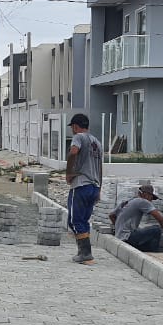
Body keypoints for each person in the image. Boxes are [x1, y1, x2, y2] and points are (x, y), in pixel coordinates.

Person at [64, 113, 103, 264]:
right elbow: (100, 167)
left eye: (72, 128)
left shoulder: (79, 137)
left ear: (75, 126)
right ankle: (83, 252)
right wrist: (99, 188)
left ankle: (86, 253)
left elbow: (74, 152)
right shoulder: (97, 142)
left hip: (81, 184)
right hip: (93, 186)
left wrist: (69, 173)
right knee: (84, 220)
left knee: (74, 220)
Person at [109, 184, 163, 253]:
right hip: (128, 237)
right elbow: (160, 218)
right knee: (156, 230)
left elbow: (111, 215)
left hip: (119, 237)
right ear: (146, 194)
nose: (150, 201)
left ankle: (144, 251)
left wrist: (119, 228)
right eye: (151, 198)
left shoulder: (127, 201)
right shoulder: (142, 201)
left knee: (141, 231)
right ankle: (154, 255)